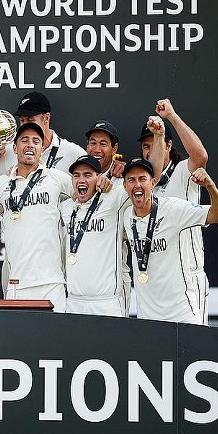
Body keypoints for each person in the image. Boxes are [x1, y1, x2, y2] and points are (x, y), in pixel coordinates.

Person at [0, 123, 110, 312]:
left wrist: (102, 181)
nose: (30, 144)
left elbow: (87, 195)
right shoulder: (2, 184)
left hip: (52, 284)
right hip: (17, 285)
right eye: (24, 140)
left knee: (55, 333)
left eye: (36, 141)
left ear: (42, 149)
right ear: (15, 148)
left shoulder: (58, 179)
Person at [60, 116, 165, 317]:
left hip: (109, 296)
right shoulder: (68, 203)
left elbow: (151, 176)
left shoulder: (117, 188)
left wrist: (159, 136)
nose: (97, 148)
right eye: (93, 143)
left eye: (103, 143)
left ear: (114, 148)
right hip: (73, 298)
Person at [121, 158, 218, 324]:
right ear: (124, 186)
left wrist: (210, 186)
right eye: (131, 180)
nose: (137, 185)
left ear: (153, 183)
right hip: (147, 318)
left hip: (182, 315)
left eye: (142, 179)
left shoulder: (173, 209)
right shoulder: (126, 216)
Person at [138, 98, 211, 321]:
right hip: (153, 285)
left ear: (168, 145)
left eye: (154, 144)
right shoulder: (140, 182)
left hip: (187, 281)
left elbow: (200, 157)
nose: (149, 152)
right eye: (145, 146)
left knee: (192, 342)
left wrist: (171, 116)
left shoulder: (181, 172)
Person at [0, 92, 86, 174]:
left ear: (46, 118)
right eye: (22, 120)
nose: (25, 125)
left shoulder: (74, 153)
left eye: (30, 120)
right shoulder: (7, 151)